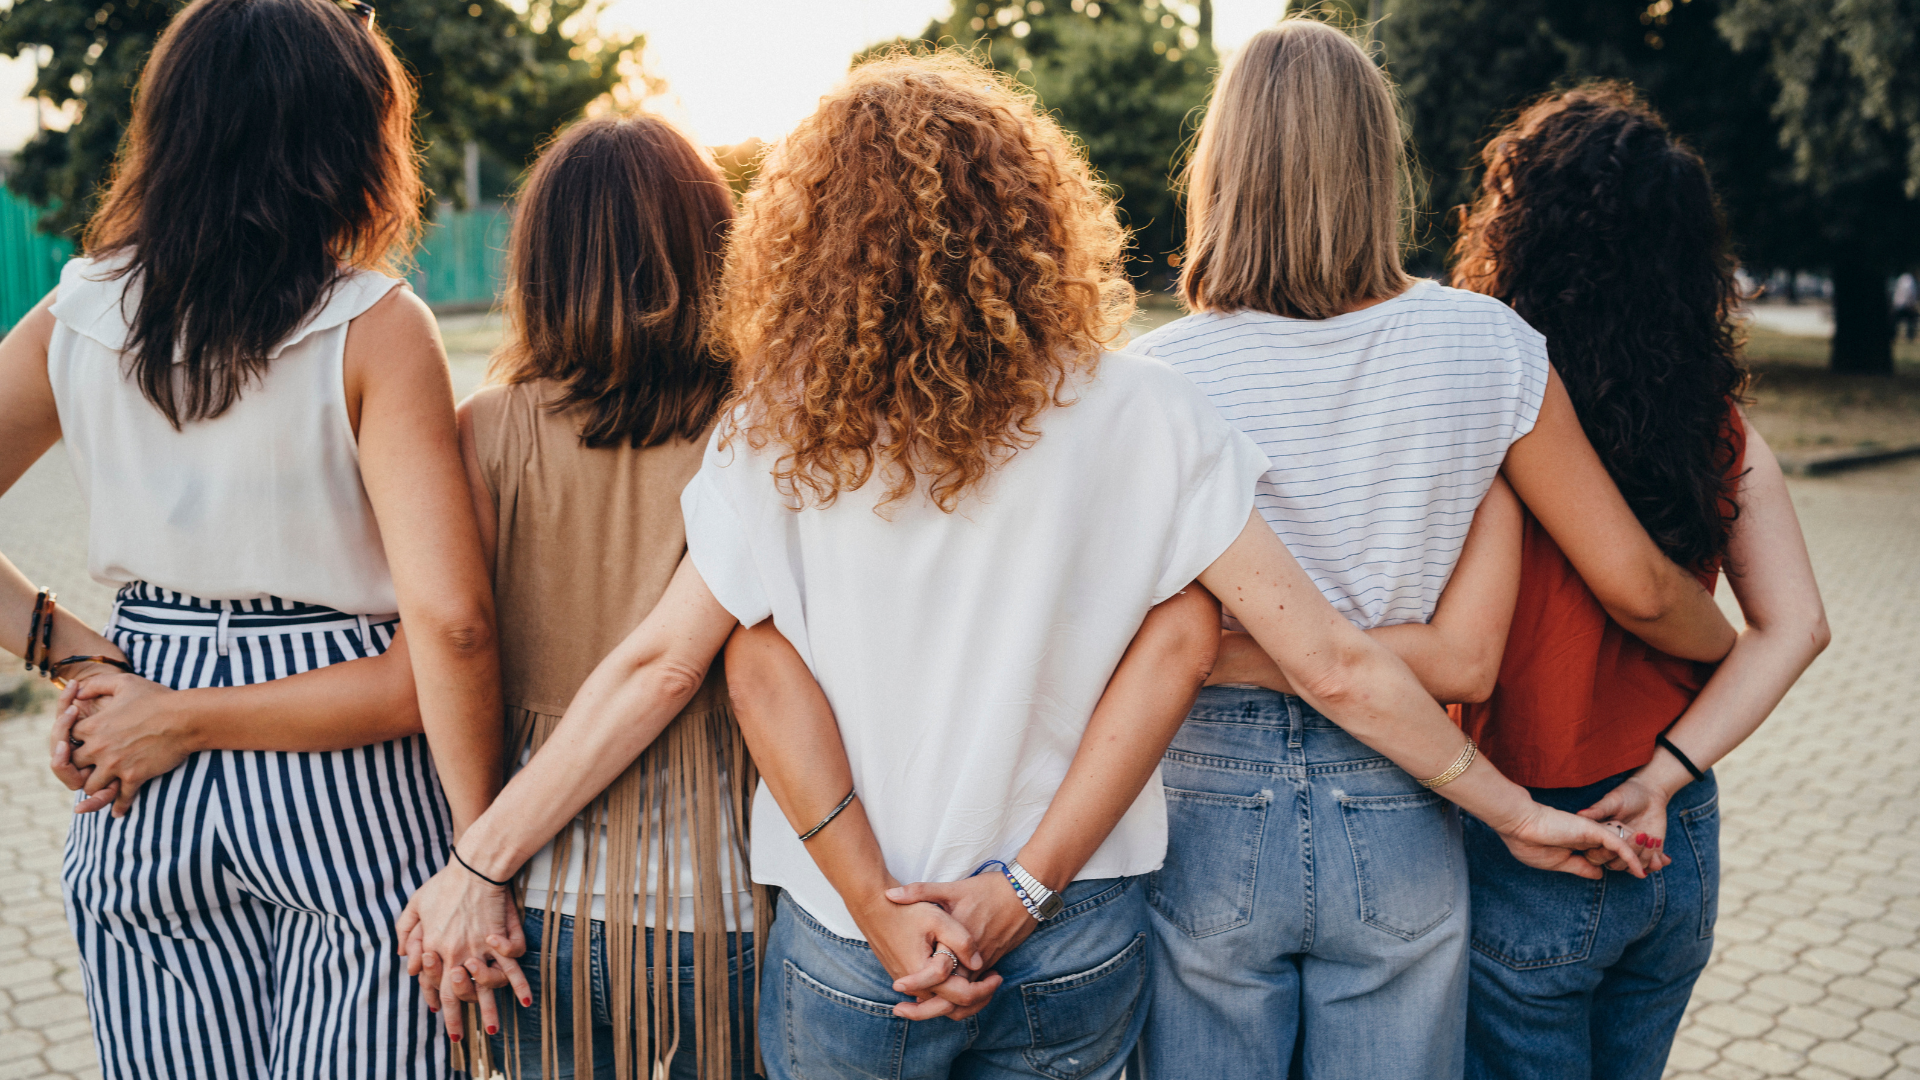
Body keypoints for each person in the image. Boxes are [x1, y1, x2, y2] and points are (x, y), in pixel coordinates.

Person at [397, 51, 1644, 1080]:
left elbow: (681, 666)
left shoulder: (776, 431)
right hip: (1067, 931)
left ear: (807, 240)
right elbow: (1323, 661)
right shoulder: (1143, 413)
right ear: (1036, 212)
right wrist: (1512, 809)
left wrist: (482, 861)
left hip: (846, 937)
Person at [1125, 22, 1739, 1080]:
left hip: (1206, 806)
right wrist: (1728, 647)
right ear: (1378, 163)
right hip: (1408, 796)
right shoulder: (1488, 348)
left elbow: (1130, 642)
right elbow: (1503, 644)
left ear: (1220, 168)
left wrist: (1230, 652)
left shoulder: (1150, 381)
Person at [0, 0, 509, 1075]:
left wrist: (83, 662)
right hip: (346, 761)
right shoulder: (374, 324)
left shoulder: (78, 315)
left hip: (139, 749)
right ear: (345, 136)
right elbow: (452, 629)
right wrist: (482, 856)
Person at [1449, 83, 1829, 1080]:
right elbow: (1796, 628)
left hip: (1537, 838)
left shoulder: (1494, 413)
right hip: (1675, 835)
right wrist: (1664, 775)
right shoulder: (1721, 425)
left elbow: (1637, 594)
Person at [459, 114, 757, 1080]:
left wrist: (473, 863)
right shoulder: (759, 426)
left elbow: (456, 643)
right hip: (726, 903)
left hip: (533, 892)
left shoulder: (485, 431)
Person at [1894, 272, 1918, 342]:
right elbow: (1910, 294)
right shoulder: (1910, 280)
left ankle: (1894, 335)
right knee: (1912, 320)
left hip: (1897, 304)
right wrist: (1912, 305)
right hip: (1905, 305)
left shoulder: (1901, 278)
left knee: (1896, 321)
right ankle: (1910, 337)